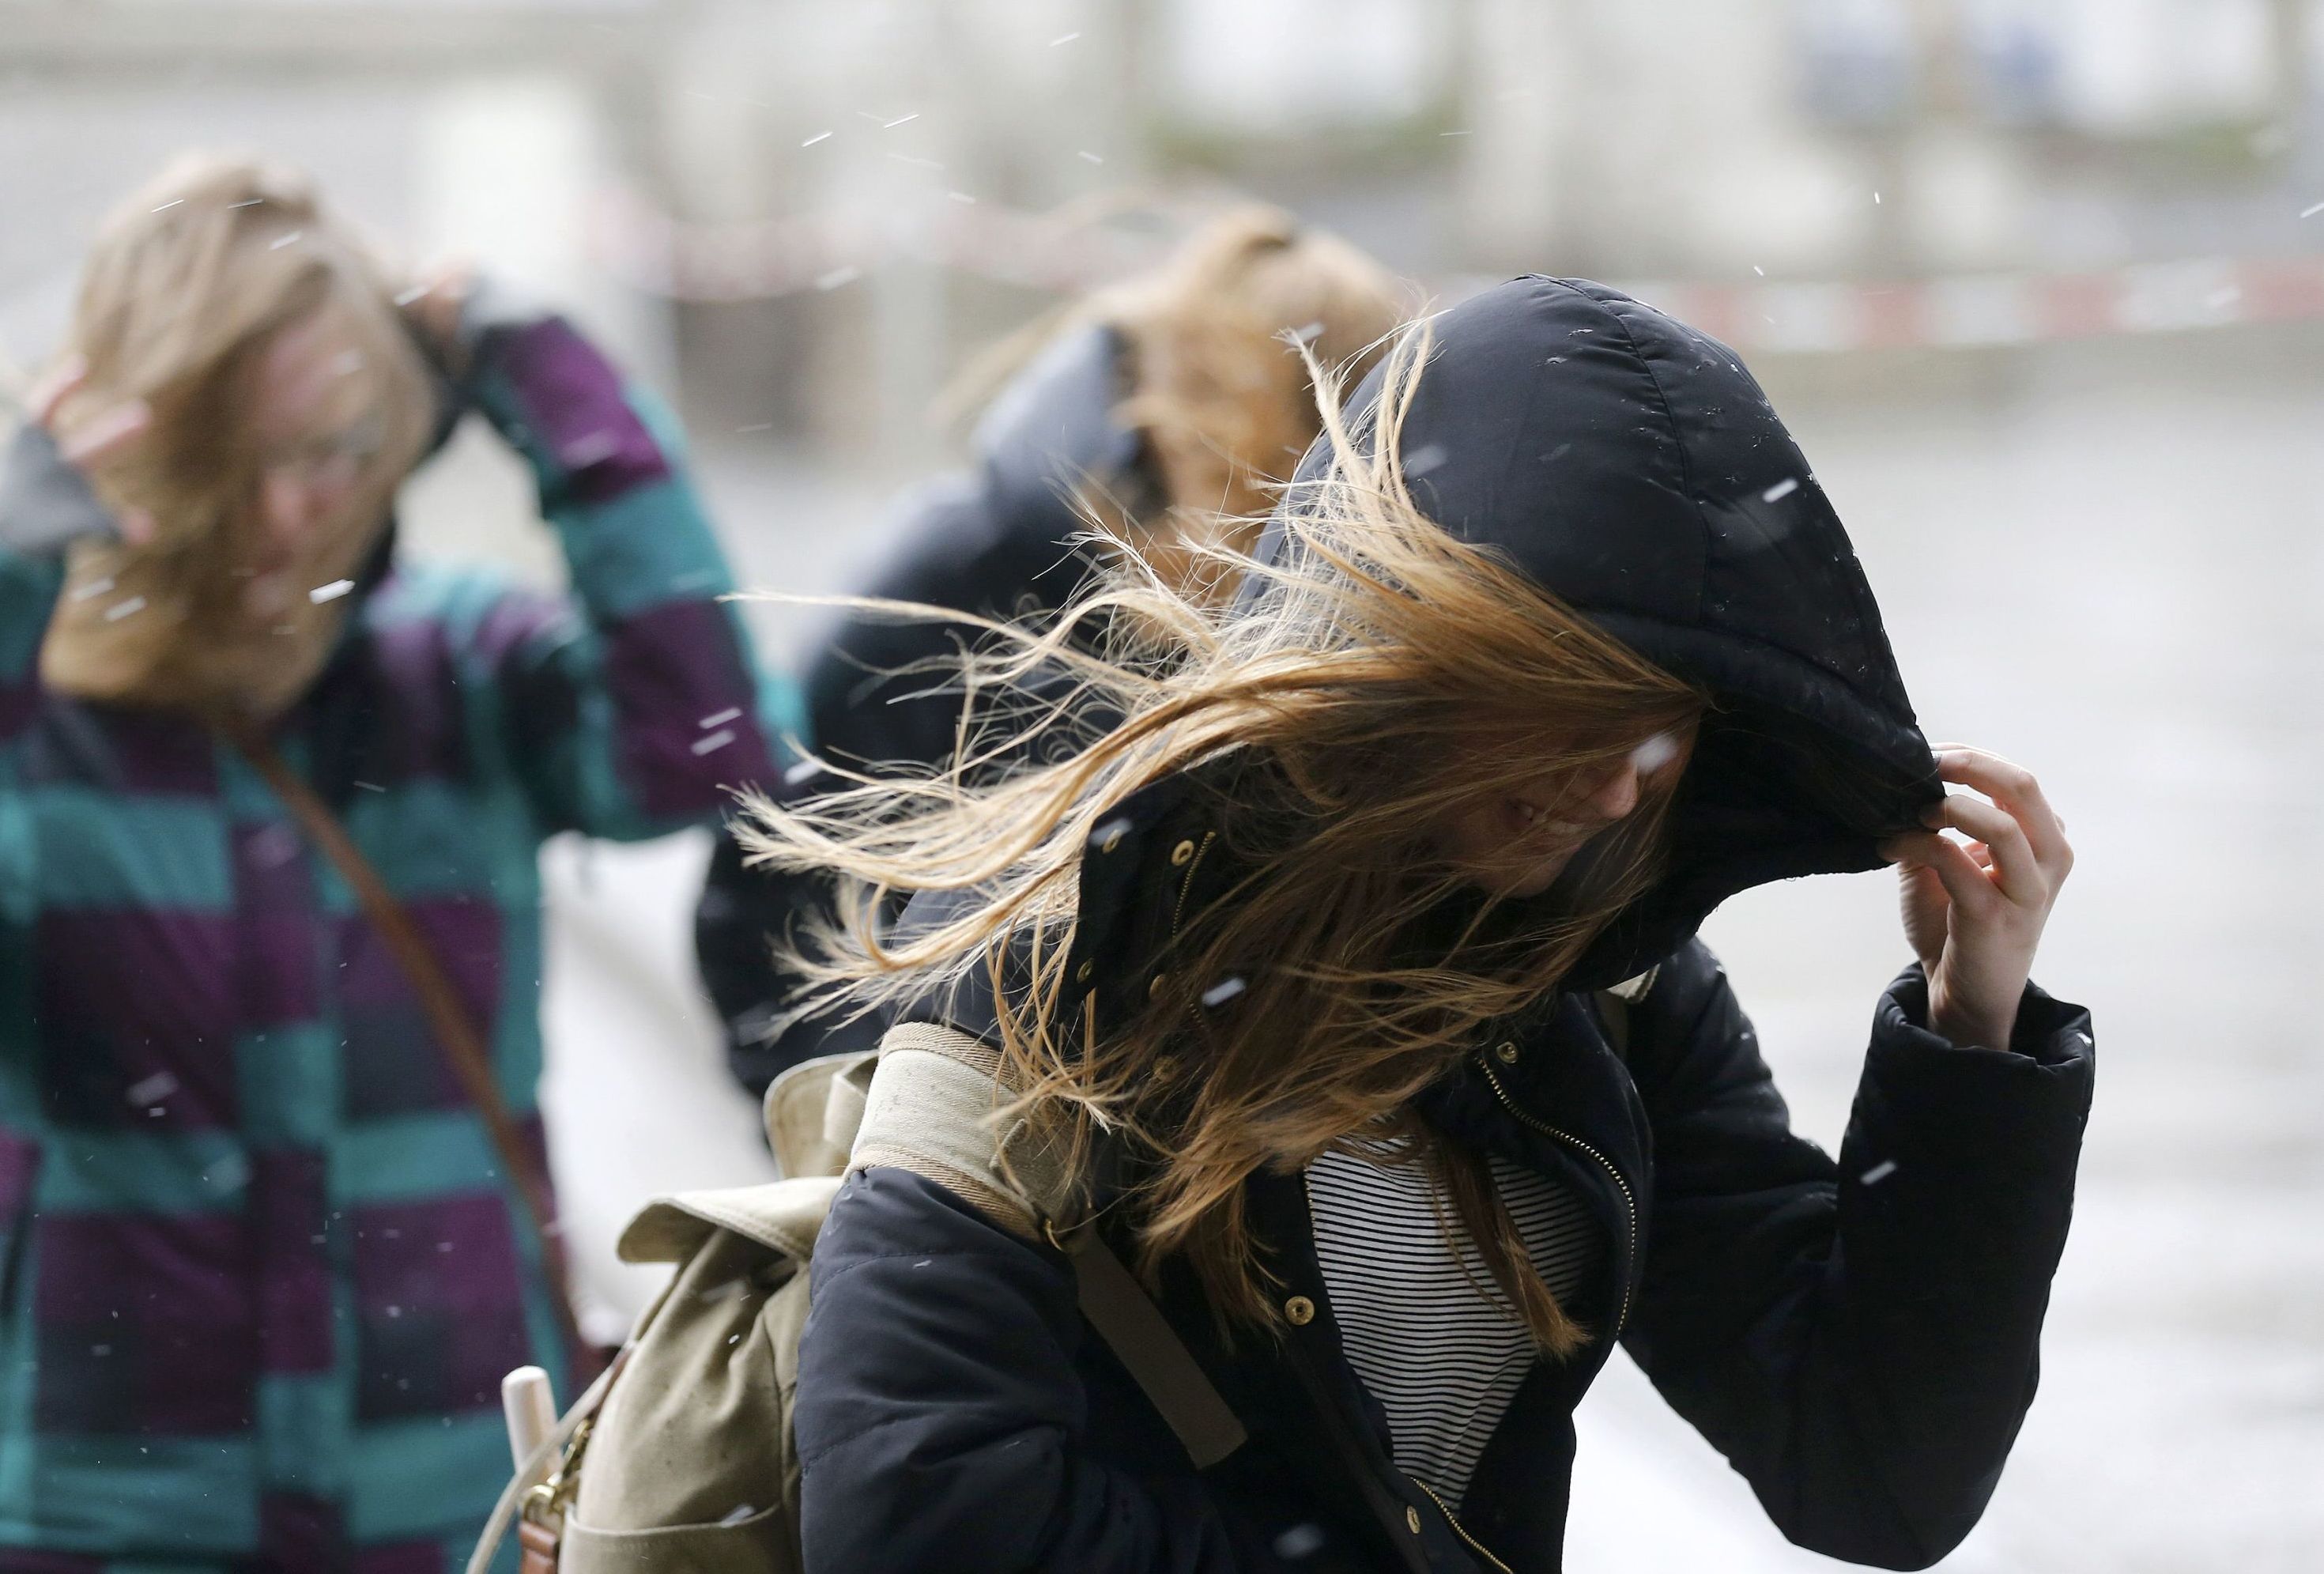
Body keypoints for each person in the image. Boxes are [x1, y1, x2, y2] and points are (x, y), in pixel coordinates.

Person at [741, 277, 2092, 1572]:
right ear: (1417, 657)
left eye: (1672, 721)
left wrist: (1970, 1036)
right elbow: (911, 1517)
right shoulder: (1060, 954)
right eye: (1574, 711)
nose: (1621, 784)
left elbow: (1866, 1469)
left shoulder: (1615, 988)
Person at [0, 155, 793, 1571]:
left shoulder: (460, 675)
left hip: (458, 1499)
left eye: (331, 454)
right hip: (110, 1513)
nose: (282, 519)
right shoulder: (42, 721)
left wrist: (548, 382)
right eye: (227, 462)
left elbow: (708, 744)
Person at [695, 205, 1406, 1094]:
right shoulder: (959, 579)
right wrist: (898, 1138)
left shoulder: (1342, 611)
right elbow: (769, 906)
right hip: (948, 1157)